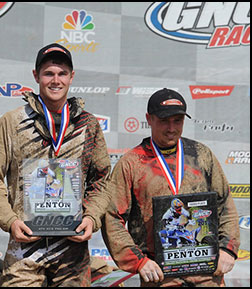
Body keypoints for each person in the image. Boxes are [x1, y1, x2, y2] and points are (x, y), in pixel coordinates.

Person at [0, 43, 112, 286]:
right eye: (49, 73)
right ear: (36, 76)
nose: (55, 80)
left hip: (72, 249)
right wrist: (10, 221)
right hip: (25, 246)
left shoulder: (88, 124)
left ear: (72, 77)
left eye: (62, 73)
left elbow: (101, 179)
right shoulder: (13, 122)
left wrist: (91, 217)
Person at [101, 88, 240, 286]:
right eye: (164, 120)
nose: (171, 128)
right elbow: (111, 217)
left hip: (207, 275)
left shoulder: (201, 155)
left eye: (178, 121)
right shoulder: (131, 163)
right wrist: (139, 262)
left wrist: (227, 249)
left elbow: (225, 205)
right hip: (160, 277)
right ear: (149, 119)